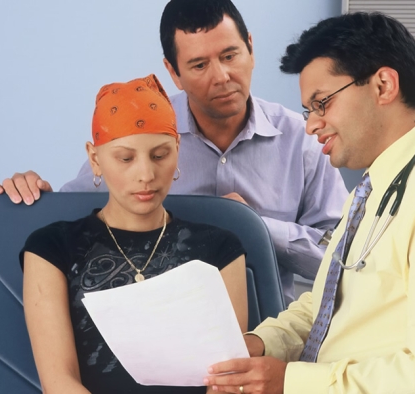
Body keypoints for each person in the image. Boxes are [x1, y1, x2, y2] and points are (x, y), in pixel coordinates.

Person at [203, 12, 415, 393]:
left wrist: (290, 382)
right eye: (308, 110)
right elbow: (328, 304)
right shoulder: (373, 187)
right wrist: (263, 343)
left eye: (322, 103)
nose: (311, 124)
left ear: (383, 85)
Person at [0, 0, 349, 305]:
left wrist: (254, 226)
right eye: (198, 65)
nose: (222, 76)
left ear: (251, 48)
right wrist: (31, 197)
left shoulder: (304, 139)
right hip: (150, 324)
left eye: (230, 55)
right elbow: (70, 218)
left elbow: (344, 260)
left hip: (266, 332)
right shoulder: (141, 134)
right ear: (172, 72)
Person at [20, 75, 248, 394]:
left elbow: (227, 380)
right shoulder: (51, 247)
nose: (146, 175)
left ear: (177, 150)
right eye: (125, 158)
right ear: (95, 159)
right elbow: (59, 382)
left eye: (160, 155)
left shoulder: (220, 247)